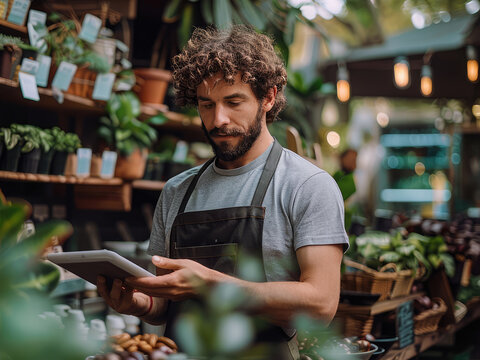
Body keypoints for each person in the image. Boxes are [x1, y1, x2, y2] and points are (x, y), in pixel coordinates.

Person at [97, 26, 348, 359]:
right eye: (206, 104)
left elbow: (321, 304)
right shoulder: (177, 191)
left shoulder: (307, 185)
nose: (218, 120)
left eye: (233, 102)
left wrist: (210, 284)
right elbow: (165, 305)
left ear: (268, 97)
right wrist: (138, 303)